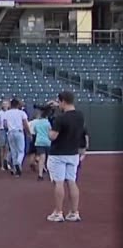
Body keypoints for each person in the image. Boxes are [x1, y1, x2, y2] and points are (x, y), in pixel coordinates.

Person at [45, 91, 87, 222]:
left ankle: (58, 212)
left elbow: (53, 136)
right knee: (72, 181)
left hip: (58, 153)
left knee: (59, 182)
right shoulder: (80, 116)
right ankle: (74, 212)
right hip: (73, 153)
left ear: (62, 101)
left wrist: (49, 131)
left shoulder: (61, 118)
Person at [29, 106, 53, 181]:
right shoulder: (48, 123)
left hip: (39, 141)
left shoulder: (37, 123)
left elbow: (35, 131)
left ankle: (40, 174)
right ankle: (51, 174)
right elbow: (50, 131)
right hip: (47, 141)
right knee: (49, 159)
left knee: (42, 157)